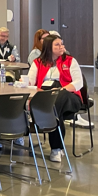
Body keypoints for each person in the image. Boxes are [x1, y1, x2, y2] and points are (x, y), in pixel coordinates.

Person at [29, 34, 83, 163]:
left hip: (68, 96)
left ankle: (41, 120)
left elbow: (78, 82)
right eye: (57, 44)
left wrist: (60, 90)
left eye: (62, 44)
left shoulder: (70, 61)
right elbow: (30, 82)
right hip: (45, 96)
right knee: (56, 112)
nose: (61, 47)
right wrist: (37, 89)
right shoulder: (38, 62)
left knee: (58, 99)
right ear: (48, 47)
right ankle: (57, 148)